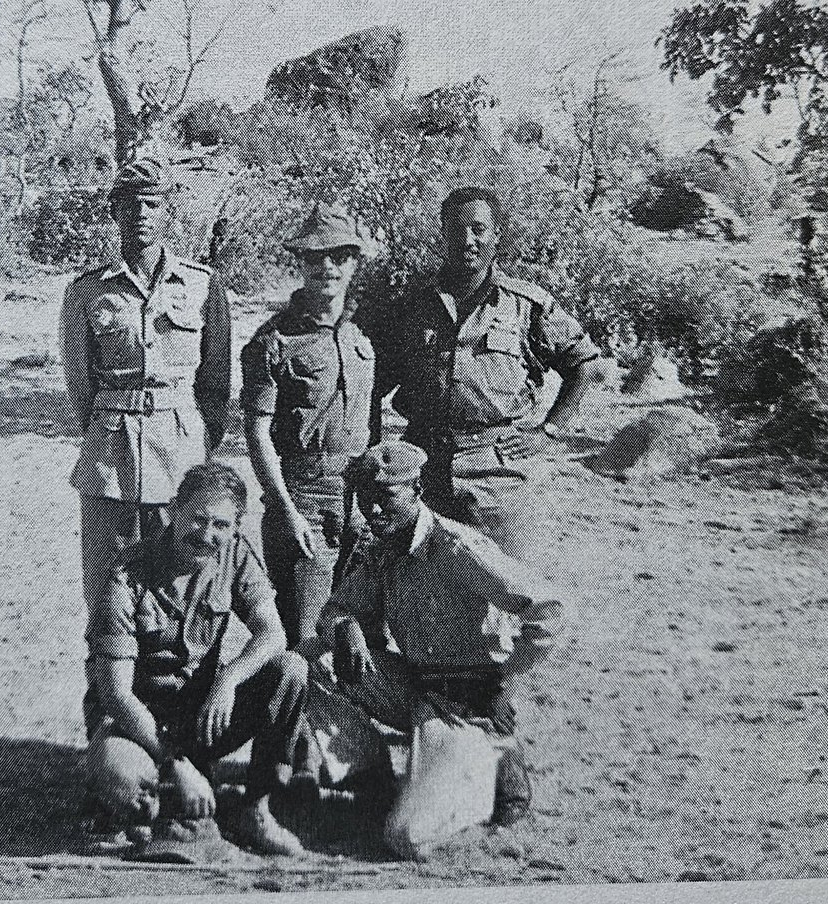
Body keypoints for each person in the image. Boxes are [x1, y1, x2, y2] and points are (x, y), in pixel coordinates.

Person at [317, 442, 567, 828]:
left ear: (416, 491)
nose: (374, 510)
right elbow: (334, 612)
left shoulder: (456, 547)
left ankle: (497, 762)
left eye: (385, 496)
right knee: (311, 662)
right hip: (416, 686)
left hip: (467, 703)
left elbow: (550, 608)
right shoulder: (383, 550)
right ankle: (372, 774)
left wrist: (507, 676)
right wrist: (345, 626)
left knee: (409, 836)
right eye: (366, 499)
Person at [84, 462, 307, 857]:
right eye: (197, 519)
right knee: (131, 791)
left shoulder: (235, 556)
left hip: (200, 714)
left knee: (290, 669)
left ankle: (255, 809)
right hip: (137, 724)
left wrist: (228, 680)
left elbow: (274, 633)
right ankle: (146, 800)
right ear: (173, 510)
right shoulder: (125, 575)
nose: (206, 535)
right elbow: (116, 694)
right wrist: (176, 764)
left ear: (235, 527)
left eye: (220, 525)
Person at [369, 186, 603, 559]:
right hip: (423, 475)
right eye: (457, 229)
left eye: (479, 229)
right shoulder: (412, 306)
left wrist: (550, 429)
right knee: (430, 600)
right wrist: (375, 457)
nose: (468, 240)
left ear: (496, 236)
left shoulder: (527, 306)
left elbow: (584, 362)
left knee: (510, 596)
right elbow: (372, 382)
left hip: (499, 475)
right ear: (442, 234)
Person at [59, 157, 231, 637]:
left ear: (168, 213)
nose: (141, 214)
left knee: (179, 589)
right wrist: (104, 428)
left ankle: (175, 693)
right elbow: (80, 384)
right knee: (108, 590)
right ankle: (109, 701)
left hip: (179, 452)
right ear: (113, 212)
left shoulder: (201, 284)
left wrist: (199, 446)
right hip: (109, 457)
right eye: (130, 204)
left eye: (152, 204)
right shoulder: (87, 291)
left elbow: (216, 381)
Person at [241, 202, 374, 649]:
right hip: (304, 498)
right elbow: (257, 434)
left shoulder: (363, 333)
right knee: (305, 639)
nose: (327, 267)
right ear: (300, 264)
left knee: (363, 633)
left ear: (355, 263)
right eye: (315, 257)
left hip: (361, 497)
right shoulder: (272, 340)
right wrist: (286, 510)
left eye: (339, 256)